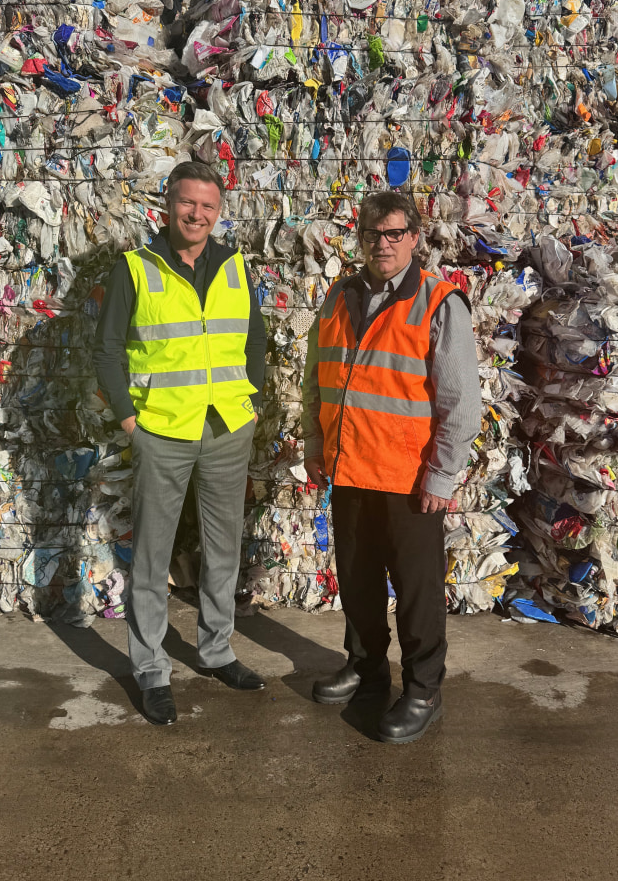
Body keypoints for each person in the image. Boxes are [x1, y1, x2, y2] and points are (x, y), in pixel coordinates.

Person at [302, 191, 482, 743]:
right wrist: (315, 445)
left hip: (408, 482)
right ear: (361, 238)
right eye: (374, 234)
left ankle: (424, 689)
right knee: (356, 583)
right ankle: (367, 668)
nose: (384, 244)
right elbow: (317, 381)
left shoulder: (437, 302)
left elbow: (461, 402)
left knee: (417, 591)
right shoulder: (339, 297)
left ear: (414, 238)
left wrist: (443, 475)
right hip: (350, 471)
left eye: (395, 234)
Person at [93, 161, 267, 726]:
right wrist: (127, 420)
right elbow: (107, 350)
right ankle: (150, 669)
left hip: (225, 429)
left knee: (224, 547)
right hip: (162, 430)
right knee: (152, 554)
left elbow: (254, 341)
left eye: (208, 207)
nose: (197, 215)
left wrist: (252, 403)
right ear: (167, 206)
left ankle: (217, 651)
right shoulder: (136, 268)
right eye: (187, 204)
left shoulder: (235, 265)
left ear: (219, 212)